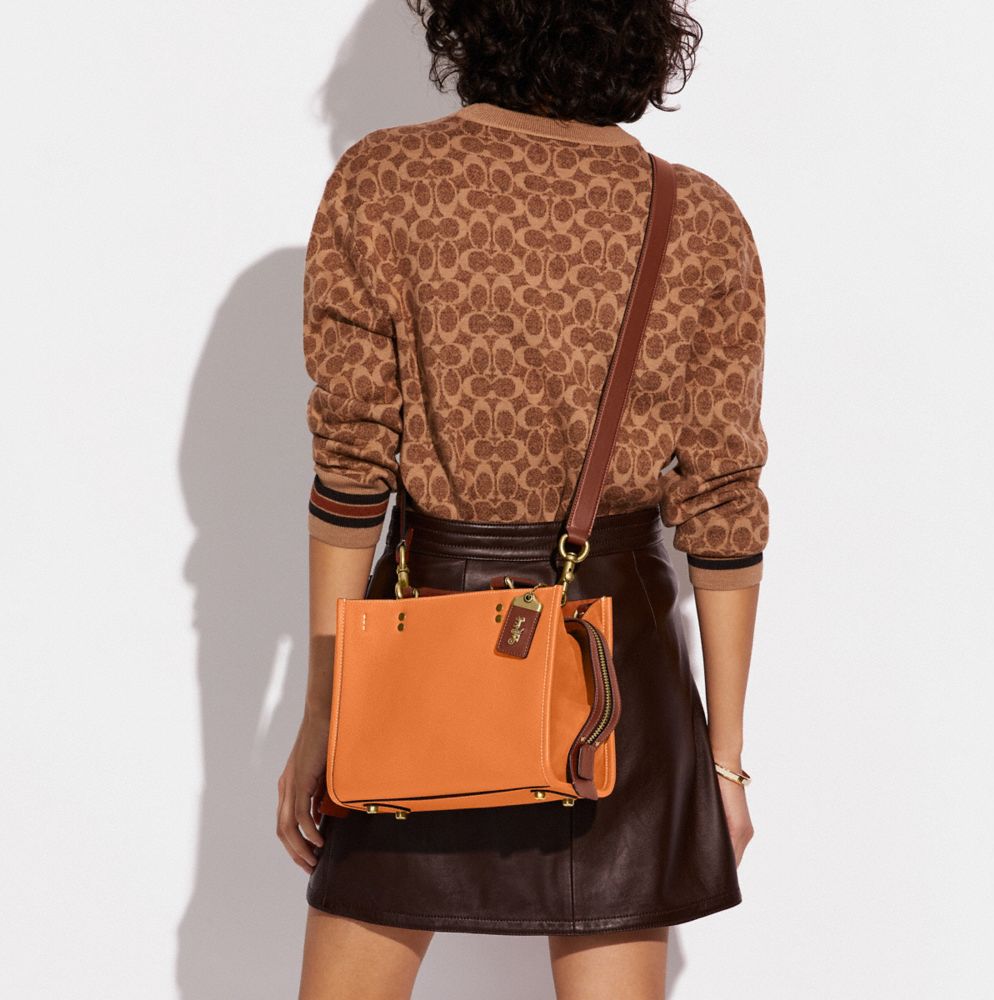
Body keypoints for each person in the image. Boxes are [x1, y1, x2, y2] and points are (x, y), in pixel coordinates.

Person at [278, 2, 768, 996]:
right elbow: (723, 508)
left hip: (423, 640)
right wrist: (722, 763)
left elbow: (352, 473)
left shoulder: (384, 180)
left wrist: (325, 710)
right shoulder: (699, 218)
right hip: (617, 669)